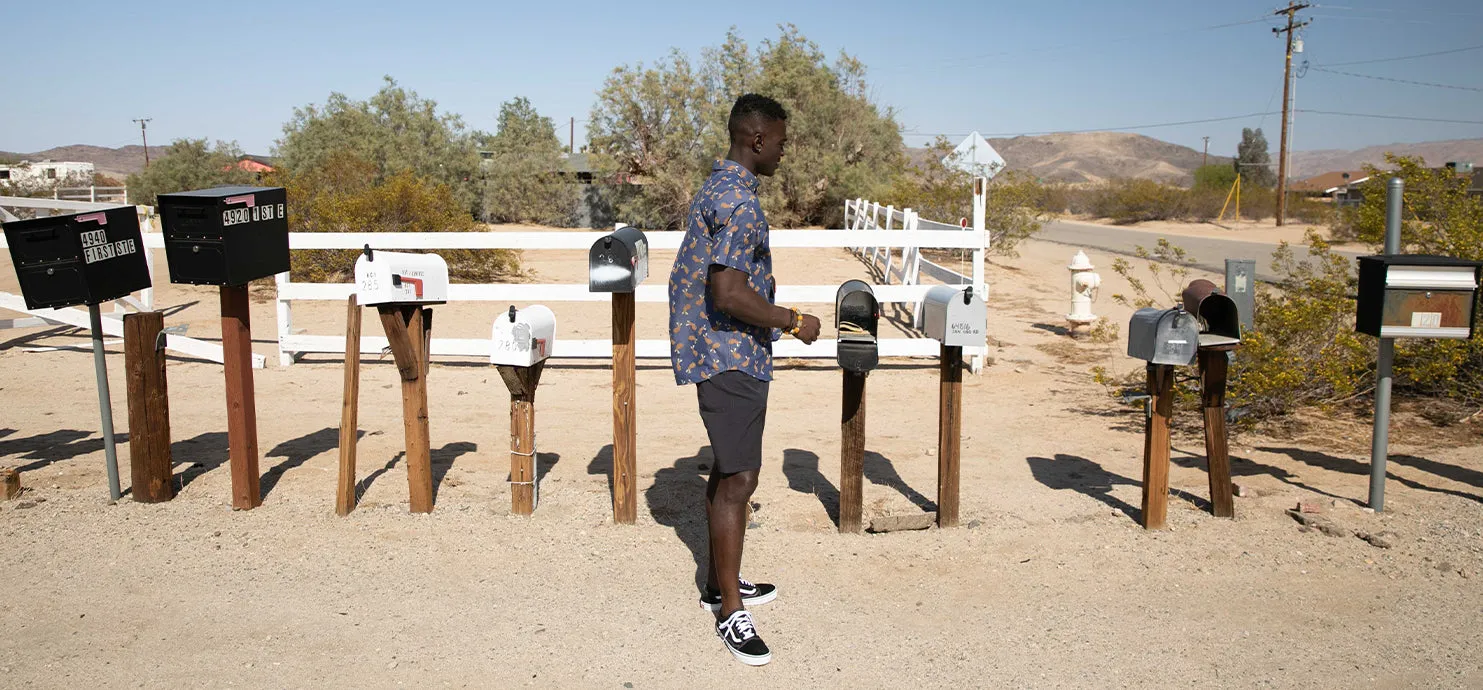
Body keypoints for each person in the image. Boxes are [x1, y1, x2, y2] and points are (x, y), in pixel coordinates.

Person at [667, 93, 821, 666]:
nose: (783, 150)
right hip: (728, 354)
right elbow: (727, 292)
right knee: (740, 478)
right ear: (757, 140)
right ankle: (730, 610)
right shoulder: (739, 202)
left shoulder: (720, 188)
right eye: (780, 141)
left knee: (730, 472)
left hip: (724, 351)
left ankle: (720, 581)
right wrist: (794, 321)